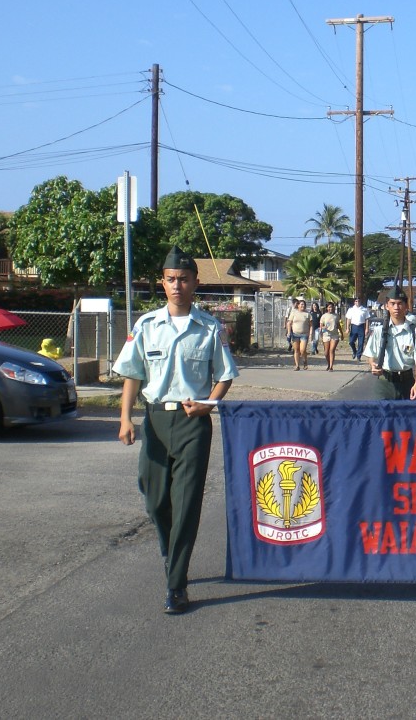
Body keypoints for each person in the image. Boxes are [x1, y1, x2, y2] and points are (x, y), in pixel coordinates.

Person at [114, 246, 238, 615]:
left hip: (192, 422)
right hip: (155, 420)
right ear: (162, 283)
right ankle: (169, 547)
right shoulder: (146, 325)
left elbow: (225, 375)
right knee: (154, 498)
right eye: (171, 279)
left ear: (196, 283)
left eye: (184, 279)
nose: (177, 285)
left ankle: (176, 584)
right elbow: (133, 375)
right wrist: (125, 419)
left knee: (186, 504)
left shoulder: (211, 327)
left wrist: (209, 404)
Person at [363, 286, 416, 400]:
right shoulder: (379, 331)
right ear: (386, 306)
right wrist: (372, 364)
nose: (396, 307)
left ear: (406, 305)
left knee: (406, 417)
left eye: (400, 303)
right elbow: (371, 354)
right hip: (384, 383)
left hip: (407, 382)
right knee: (382, 417)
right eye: (392, 304)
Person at [286, 299, 312, 370]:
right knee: (296, 350)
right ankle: (297, 365)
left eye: (304, 304)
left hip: (304, 334)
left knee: (302, 350)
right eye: (301, 304)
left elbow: (311, 325)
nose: (302, 306)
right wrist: (288, 332)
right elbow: (289, 323)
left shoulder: (307, 314)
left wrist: (310, 334)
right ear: (298, 305)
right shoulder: (294, 313)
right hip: (295, 334)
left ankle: (305, 361)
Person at [345, 296, 369, 361]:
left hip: (361, 326)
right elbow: (348, 319)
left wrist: (366, 328)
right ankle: (354, 351)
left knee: (361, 343)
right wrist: (347, 328)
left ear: (360, 302)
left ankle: (358, 356)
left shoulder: (364, 309)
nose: (357, 302)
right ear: (354, 302)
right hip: (354, 326)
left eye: (358, 301)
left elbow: (367, 319)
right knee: (351, 341)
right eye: (356, 301)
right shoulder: (351, 309)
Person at [320, 302, 342, 371]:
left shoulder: (336, 316)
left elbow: (338, 325)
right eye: (329, 307)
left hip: (334, 335)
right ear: (327, 308)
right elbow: (321, 326)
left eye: (332, 307)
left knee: (332, 350)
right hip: (326, 335)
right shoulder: (324, 316)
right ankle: (328, 363)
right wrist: (323, 328)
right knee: (326, 352)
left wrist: (341, 333)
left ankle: (331, 366)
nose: (330, 308)